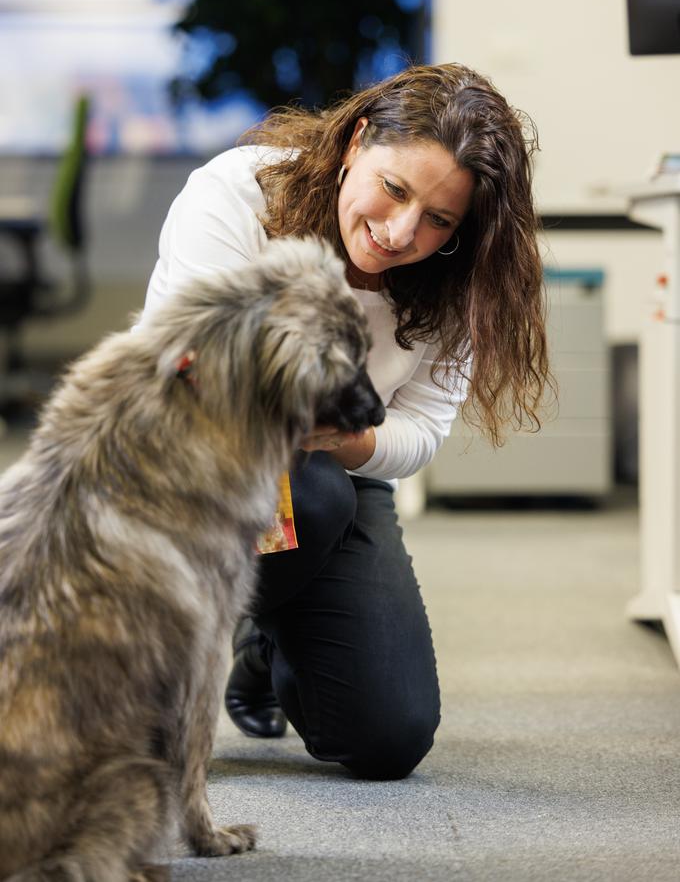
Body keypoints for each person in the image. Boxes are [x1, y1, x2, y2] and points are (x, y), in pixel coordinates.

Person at [138, 62, 550, 781]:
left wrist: (351, 440)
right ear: (357, 141)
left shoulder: (458, 278)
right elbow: (194, 363)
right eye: (394, 190)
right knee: (312, 492)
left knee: (388, 737)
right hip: (186, 460)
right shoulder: (237, 194)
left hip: (333, 466)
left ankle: (267, 641)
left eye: (438, 220)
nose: (399, 232)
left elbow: (419, 430)